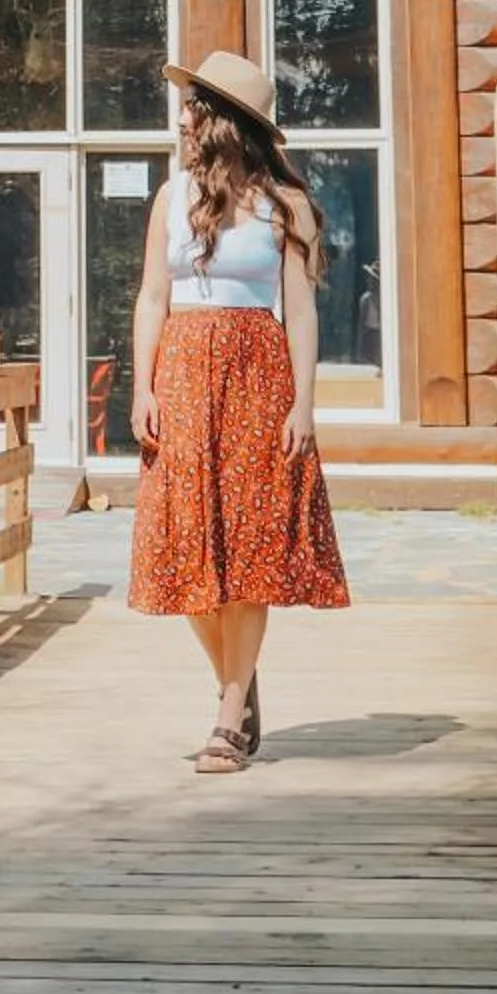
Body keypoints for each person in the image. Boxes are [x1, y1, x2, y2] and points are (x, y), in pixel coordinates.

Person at [126, 48, 349, 771]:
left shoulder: (284, 206)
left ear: (222, 120)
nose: (181, 119)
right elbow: (152, 298)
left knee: (250, 547)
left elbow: (301, 311)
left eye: (192, 107)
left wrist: (304, 405)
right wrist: (143, 386)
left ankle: (227, 718)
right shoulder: (171, 198)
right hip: (183, 376)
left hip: (258, 377)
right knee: (184, 546)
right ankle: (238, 678)